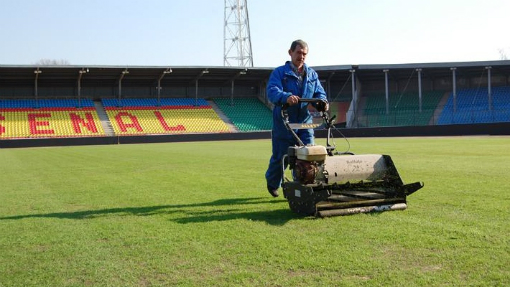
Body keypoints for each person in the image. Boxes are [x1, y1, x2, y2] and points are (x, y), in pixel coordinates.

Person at [265, 39, 329, 197]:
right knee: (281, 157)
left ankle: (301, 186)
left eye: (304, 54)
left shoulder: (312, 74)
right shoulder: (279, 73)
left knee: (308, 155)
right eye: (299, 53)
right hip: (284, 122)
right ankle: (273, 183)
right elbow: (272, 92)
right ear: (290, 52)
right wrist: (286, 97)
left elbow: (319, 93)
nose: (301, 56)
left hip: (304, 122)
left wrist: (322, 103)